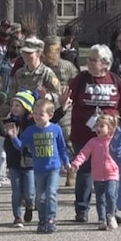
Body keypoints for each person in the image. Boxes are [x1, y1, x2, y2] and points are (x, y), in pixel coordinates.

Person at [67, 44, 121, 223]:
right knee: (84, 171)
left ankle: (110, 210)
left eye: (94, 60)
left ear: (105, 63)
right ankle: (82, 210)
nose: (90, 63)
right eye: (89, 60)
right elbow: (66, 99)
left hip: (110, 137)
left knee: (111, 173)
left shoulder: (114, 80)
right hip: (83, 134)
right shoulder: (81, 79)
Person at [8, 99, 71, 233]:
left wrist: (66, 162)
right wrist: (14, 137)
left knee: (51, 193)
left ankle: (51, 218)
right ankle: (42, 219)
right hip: (38, 169)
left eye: (41, 114)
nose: (37, 117)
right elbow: (20, 146)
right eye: (35, 114)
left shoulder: (56, 129)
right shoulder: (31, 130)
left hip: (54, 168)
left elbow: (62, 148)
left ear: (50, 115)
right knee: (40, 197)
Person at [0, 90, 37, 227]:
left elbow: (48, 120)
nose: (14, 108)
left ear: (26, 108)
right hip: (14, 162)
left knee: (29, 192)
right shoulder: (9, 122)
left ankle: (29, 206)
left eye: (18, 105)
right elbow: (2, 132)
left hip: (29, 163)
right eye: (13, 105)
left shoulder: (32, 122)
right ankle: (17, 217)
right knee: (16, 192)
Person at [69, 114, 119, 231]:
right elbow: (83, 154)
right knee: (100, 199)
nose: (98, 129)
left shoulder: (114, 141)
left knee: (111, 196)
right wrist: (76, 163)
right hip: (97, 175)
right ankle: (101, 219)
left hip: (112, 174)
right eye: (97, 126)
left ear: (110, 128)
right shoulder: (93, 142)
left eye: (102, 126)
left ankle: (110, 216)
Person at [43, 37, 79, 186]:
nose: (52, 53)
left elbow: (76, 83)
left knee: (66, 138)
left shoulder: (68, 66)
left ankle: (71, 170)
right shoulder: (41, 67)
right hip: (44, 105)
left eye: (55, 49)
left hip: (64, 105)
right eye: (49, 49)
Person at [8, 37, 61, 105]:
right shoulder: (19, 73)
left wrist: (47, 96)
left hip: (38, 113)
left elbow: (58, 95)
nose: (25, 56)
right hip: (21, 114)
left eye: (29, 53)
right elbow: (10, 97)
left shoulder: (46, 73)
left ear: (38, 53)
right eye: (24, 52)